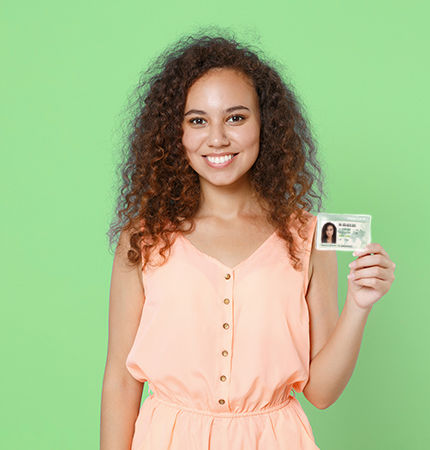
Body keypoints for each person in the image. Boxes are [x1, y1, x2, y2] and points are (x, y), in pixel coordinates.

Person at [100, 34, 396, 450]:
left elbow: (322, 393)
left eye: (236, 118)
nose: (217, 138)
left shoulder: (308, 238)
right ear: (175, 132)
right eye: (197, 120)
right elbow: (120, 380)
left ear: (265, 125)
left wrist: (359, 305)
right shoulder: (143, 238)